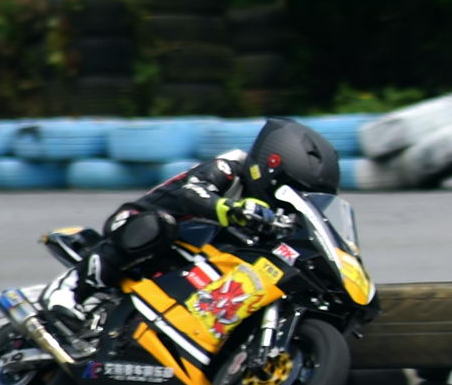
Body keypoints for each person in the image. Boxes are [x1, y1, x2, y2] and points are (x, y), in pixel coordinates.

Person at [74, 116, 344, 296]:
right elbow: (192, 193)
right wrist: (233, 210)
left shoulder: (275, 217)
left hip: (190, 257)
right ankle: (71, 293)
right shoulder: (229, 168)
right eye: (293, 192)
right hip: (138, 222)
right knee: (155, 226)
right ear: (273, 169)